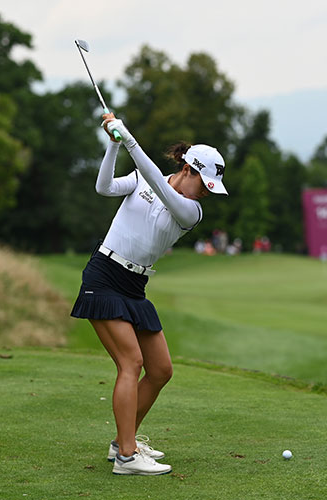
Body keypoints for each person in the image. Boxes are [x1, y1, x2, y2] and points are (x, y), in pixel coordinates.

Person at [70, 113, 228, 475]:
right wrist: (113, 144)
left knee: (160, 370)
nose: (206, 191)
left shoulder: (191, 211)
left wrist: (129, 139)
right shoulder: (142, 177)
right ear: (188, 168)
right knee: (131, 363)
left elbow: (159, 184)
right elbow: (105, 188)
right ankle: (126, 456)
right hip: (105, 275)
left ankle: (122, 442)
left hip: (135, 286)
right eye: (203, 182)